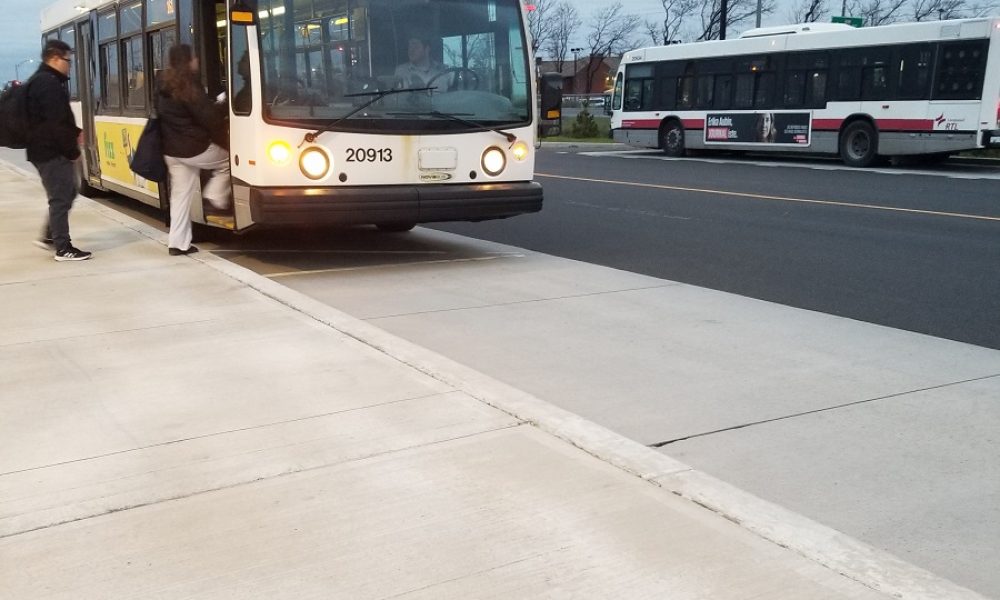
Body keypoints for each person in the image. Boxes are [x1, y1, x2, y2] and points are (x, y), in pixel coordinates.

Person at [157, 44, 230, 256]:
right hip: (193, 149)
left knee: (180, 196)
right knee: (229, 160)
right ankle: (216, 195)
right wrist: (223, 104)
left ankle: (178, 243)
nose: (197, 60)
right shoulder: (189, 85)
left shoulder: (163, 86)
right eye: (194, 57)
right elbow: (208, 117)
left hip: (171, 151)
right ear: (188, 61)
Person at [26, 39, 90, 261]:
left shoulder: (44, 81)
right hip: (50, 151)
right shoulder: (47, 83)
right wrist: (72, 152)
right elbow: (55, 123)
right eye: (67, 60)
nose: (69, 65)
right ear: (54, 58)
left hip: (43, 149)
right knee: (61, 197)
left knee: (67, 192)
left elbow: (54, 119)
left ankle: (50, 235)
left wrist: (74, 130)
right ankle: (63, 248)